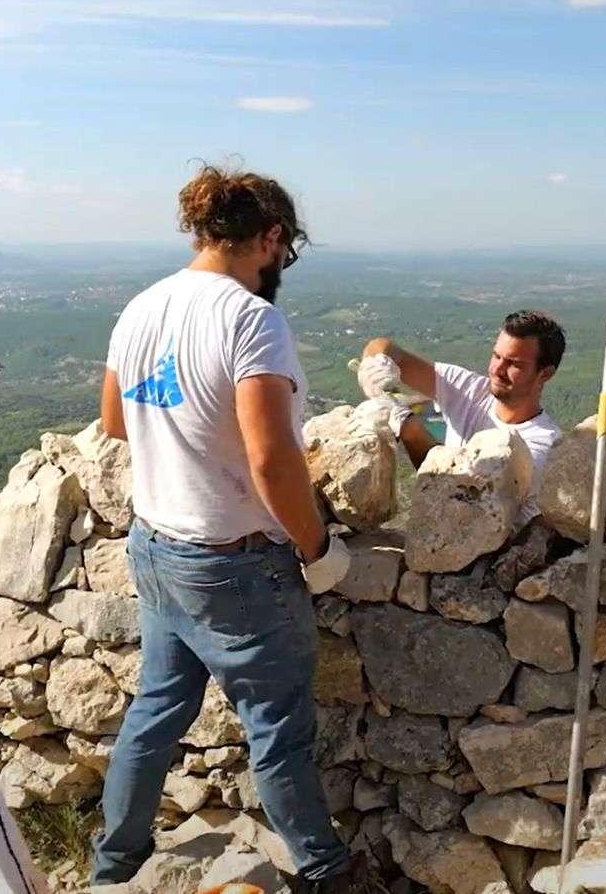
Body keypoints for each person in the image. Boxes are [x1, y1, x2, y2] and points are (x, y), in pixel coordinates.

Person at [91, 165, 352, 891]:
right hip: (234, 560)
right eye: (284, 251)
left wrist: (186, 432)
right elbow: (273, 459)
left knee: (155, 710)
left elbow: (115, 419)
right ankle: (326, 870)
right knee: (277, 727)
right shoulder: (250, 319)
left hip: (155, 543)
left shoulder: (142, 307)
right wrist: (318, 548)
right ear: (270, 237)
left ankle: (113, 869)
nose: (280, 265)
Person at [356, 310, 565, 520]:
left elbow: (464, 510)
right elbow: (385, 347)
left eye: (514, 364)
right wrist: (376, 364)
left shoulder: (541, 448)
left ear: (545, 373)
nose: (498, 370)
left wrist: (410, 429)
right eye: (496, 356)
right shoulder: (470, 390)